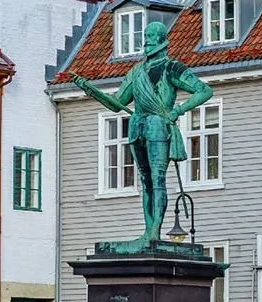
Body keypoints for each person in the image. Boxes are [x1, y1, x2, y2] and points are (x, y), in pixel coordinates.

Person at [71, 19, 214, 250]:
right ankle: (148, 231)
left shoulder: (171, 68)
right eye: (145, 36)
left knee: (157, 180)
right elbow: (117, 104)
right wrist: (91, 90)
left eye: (151, 36)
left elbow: (204, 90)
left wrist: (177, 110)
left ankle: (154, 231)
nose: (146, 41)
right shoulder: (135, 72)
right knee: (145, 181)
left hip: (159, 125)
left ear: (161, 40)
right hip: (138, 126)